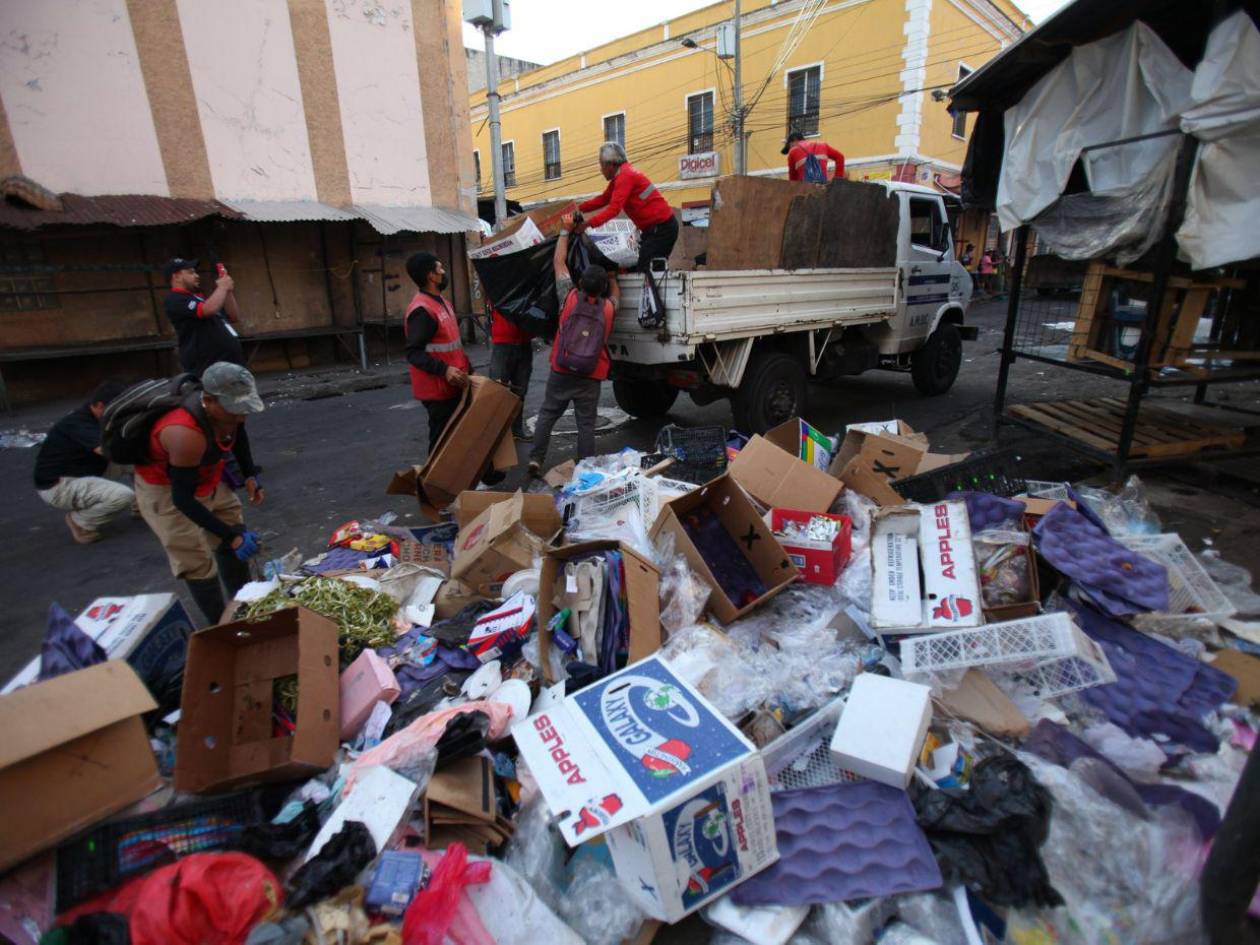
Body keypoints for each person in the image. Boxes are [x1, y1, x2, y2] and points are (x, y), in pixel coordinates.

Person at [133, 362, 265, 625]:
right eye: (235, 412)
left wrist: (249, 475)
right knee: (195, 559)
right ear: (209, 401)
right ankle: (220, 624)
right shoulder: (184, 433)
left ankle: (245, 607)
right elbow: (183, 500)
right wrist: (230, 535)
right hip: (167, 491)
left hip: (208, 475)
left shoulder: (229, 414)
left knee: (233, 534)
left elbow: (237, 435)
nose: (241, 418)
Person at [527, 223, 619, 477]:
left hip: (562, 368)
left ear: (579, 282)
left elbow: (559, 262)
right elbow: (616, 297)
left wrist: (565, 231)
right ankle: (585, 467)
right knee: (586, 424)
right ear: (602, 289)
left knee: (547, 413)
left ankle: (536, 459)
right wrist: (612, 277)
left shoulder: (568, 297)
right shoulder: (609, 309)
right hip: (590, 374)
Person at [34, 380, 134, 544]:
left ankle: (145, 504)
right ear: (101, 406)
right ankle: (81, 522)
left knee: (143, 460)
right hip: (60, 485)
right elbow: (108, 450)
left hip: (87, 469)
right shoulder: (78, 423)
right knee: (123, 496)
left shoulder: (100, 416)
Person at [403, 252, 472, 455]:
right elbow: (413, 353)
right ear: (430, 276)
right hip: (438, 390)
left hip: (454, 384)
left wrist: (469, 370)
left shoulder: (441, 302)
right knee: (442, 443)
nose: (443, 272)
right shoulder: (422, 310)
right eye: (440, 268)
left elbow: (453, 345)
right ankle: (431, 484)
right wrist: (445, 370)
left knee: (459, 436)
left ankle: (478, 476)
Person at [572, 143, 677, 271]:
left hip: (661, 229)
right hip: (656, 229)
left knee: (647, 270)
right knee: (644, 268)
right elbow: (603, 199)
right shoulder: (621, 176)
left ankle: (652, 291)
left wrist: (587, 224)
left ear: (610, 165)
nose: (601, 170)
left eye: (601, 165)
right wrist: (579, 208)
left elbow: (614, 209)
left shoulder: (625, 177)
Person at [164, 258, 243, 376]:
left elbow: (233, 316)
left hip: (230, 364)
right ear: (177, 277)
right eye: (191, 272)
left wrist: (228, 291)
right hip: (209, 367)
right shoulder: (175, 299)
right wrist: (222, 287)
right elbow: (207, 310)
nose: (196, 276)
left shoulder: (200, 299)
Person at [488, 305, 533, 439]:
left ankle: (516, 430)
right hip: (504, 342)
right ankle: (494, 434)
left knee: (520, 391)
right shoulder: (501, 288)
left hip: (524, 341)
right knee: (497, 390)